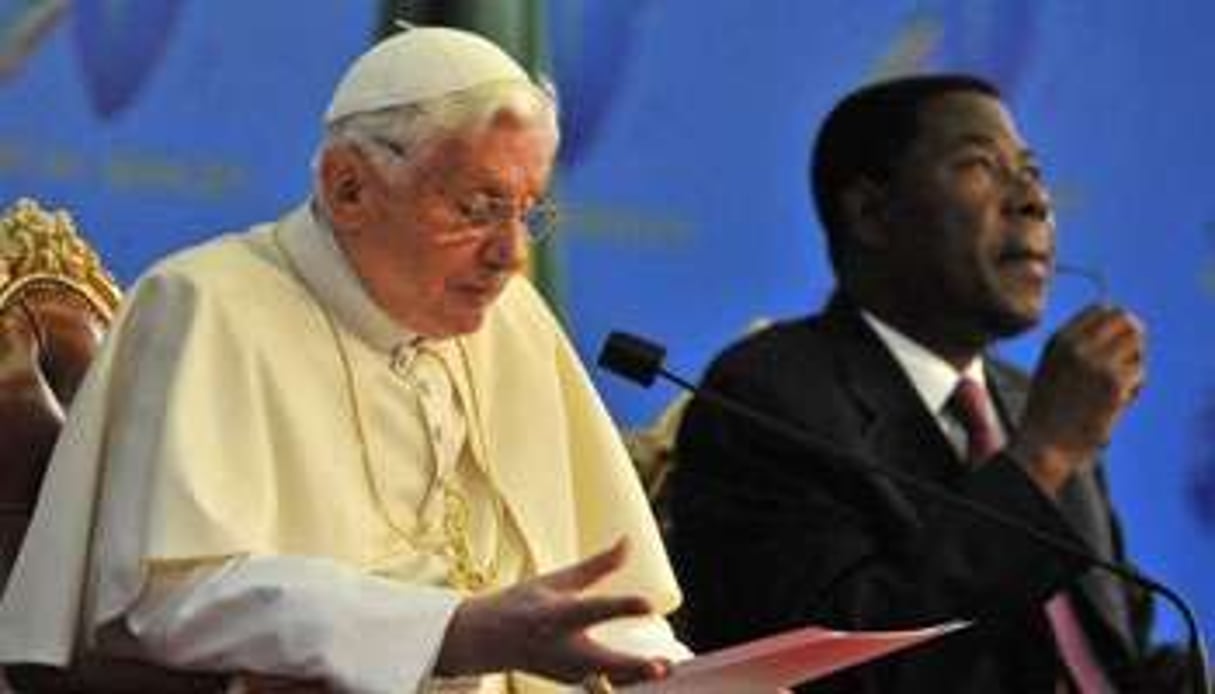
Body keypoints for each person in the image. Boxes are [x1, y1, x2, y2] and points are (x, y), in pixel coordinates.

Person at [0, 26, 689, 693]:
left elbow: (590, 595)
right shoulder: (204, 305)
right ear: (348, 187)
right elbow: (166, 598)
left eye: (528, 211)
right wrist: (451, 630)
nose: (510, 254)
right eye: (478, 208)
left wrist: (676, 673)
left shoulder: (514, 321)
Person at [667, 74, 1187, 692]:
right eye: (980, 166)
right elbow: (844, 671)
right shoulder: (768, 398)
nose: (1034, 202)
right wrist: (1042, 457)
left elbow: (1107, 662)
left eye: (1031, 171)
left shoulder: (1029, 402)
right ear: (871, 213)